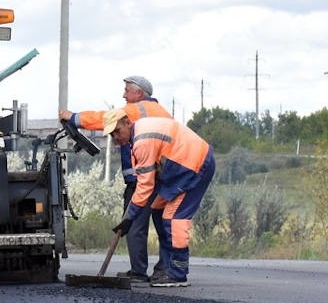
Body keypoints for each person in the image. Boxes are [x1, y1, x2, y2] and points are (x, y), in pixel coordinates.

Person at [59, 76, 171, 282]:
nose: (124, 95)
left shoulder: (136, 110)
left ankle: (138, 271)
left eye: (127, 90)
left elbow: (104, 119)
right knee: (164, 225)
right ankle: (164, 269)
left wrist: (74, 118)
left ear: (139, 93)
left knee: (135, 224)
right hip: (163, 176)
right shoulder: (163, 113)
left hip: (141, 179)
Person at [105, 107, 215, 287]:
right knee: (157, 208)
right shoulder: (138, 134)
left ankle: (178, 273)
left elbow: (145, 185)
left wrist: (130, 217)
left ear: (127, 123)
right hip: (180, 169)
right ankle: (166, 265)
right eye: (111, 135)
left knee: (174, 218)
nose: (116, 137)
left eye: (117, 131)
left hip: (195, 166)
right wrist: (131, 216)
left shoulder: (141, 141)